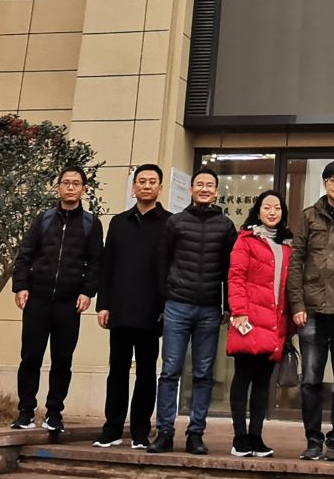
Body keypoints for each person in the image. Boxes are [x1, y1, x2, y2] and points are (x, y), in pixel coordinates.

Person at [149, 168, 237, 455]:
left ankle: (195, 433)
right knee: (170, 371)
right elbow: (162, 262)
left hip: (210, 309)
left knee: (203, 374)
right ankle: (164, 431)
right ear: (191, 189)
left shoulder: (226, 226)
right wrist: (165, 298)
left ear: (216, 191)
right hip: (177, 305)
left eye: (209, 185)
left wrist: (228, 306)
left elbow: (231, 269)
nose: (204, 189)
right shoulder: (175, 222)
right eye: (199, 184)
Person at [10, 164, 103, 432]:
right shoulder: (44, 219)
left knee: (62, 360)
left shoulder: (91, 223)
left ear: (84, 189)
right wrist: (20, 286)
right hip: (37, 298)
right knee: (30, 357)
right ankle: (26, 412)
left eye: (76, 183)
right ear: (58, 188)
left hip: (69, 302)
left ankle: (54, 413)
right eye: (66, 183)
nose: (71, 187)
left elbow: (96, 262)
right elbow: (25, 254)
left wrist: (87, 292)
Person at [287, 159, 334, 462]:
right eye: (332, 179)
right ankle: (313, 439)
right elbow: (296, 261)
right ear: (325, 184)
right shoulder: (309, 216)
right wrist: (297, 304)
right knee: (310, 380)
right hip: (312, 309)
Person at [94, 163, 169, 449]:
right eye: (141, 181)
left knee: (147, 373)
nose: (146, 186)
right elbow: (107, 266)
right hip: (120, 309)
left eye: (152, 181)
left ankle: (140, 430)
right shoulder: (118, 222)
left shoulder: (170, 223)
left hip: (152, 312)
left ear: (160, 187)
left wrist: (167, 306)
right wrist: (103, 304)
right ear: (133, 187)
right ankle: (112, 428)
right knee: (117, 371)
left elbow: (171, 269)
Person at [227, 189, 294, 458]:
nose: (272, 212)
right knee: (243, 377)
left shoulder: (287, 245)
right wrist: (239, 311)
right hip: (249, 319)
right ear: (258, 211)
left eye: (277, 208)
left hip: (275, 322)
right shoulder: (246, 240)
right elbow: (235, 277)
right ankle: (239, 437)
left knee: (264, 382)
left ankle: (256, 436)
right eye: (267, 207)